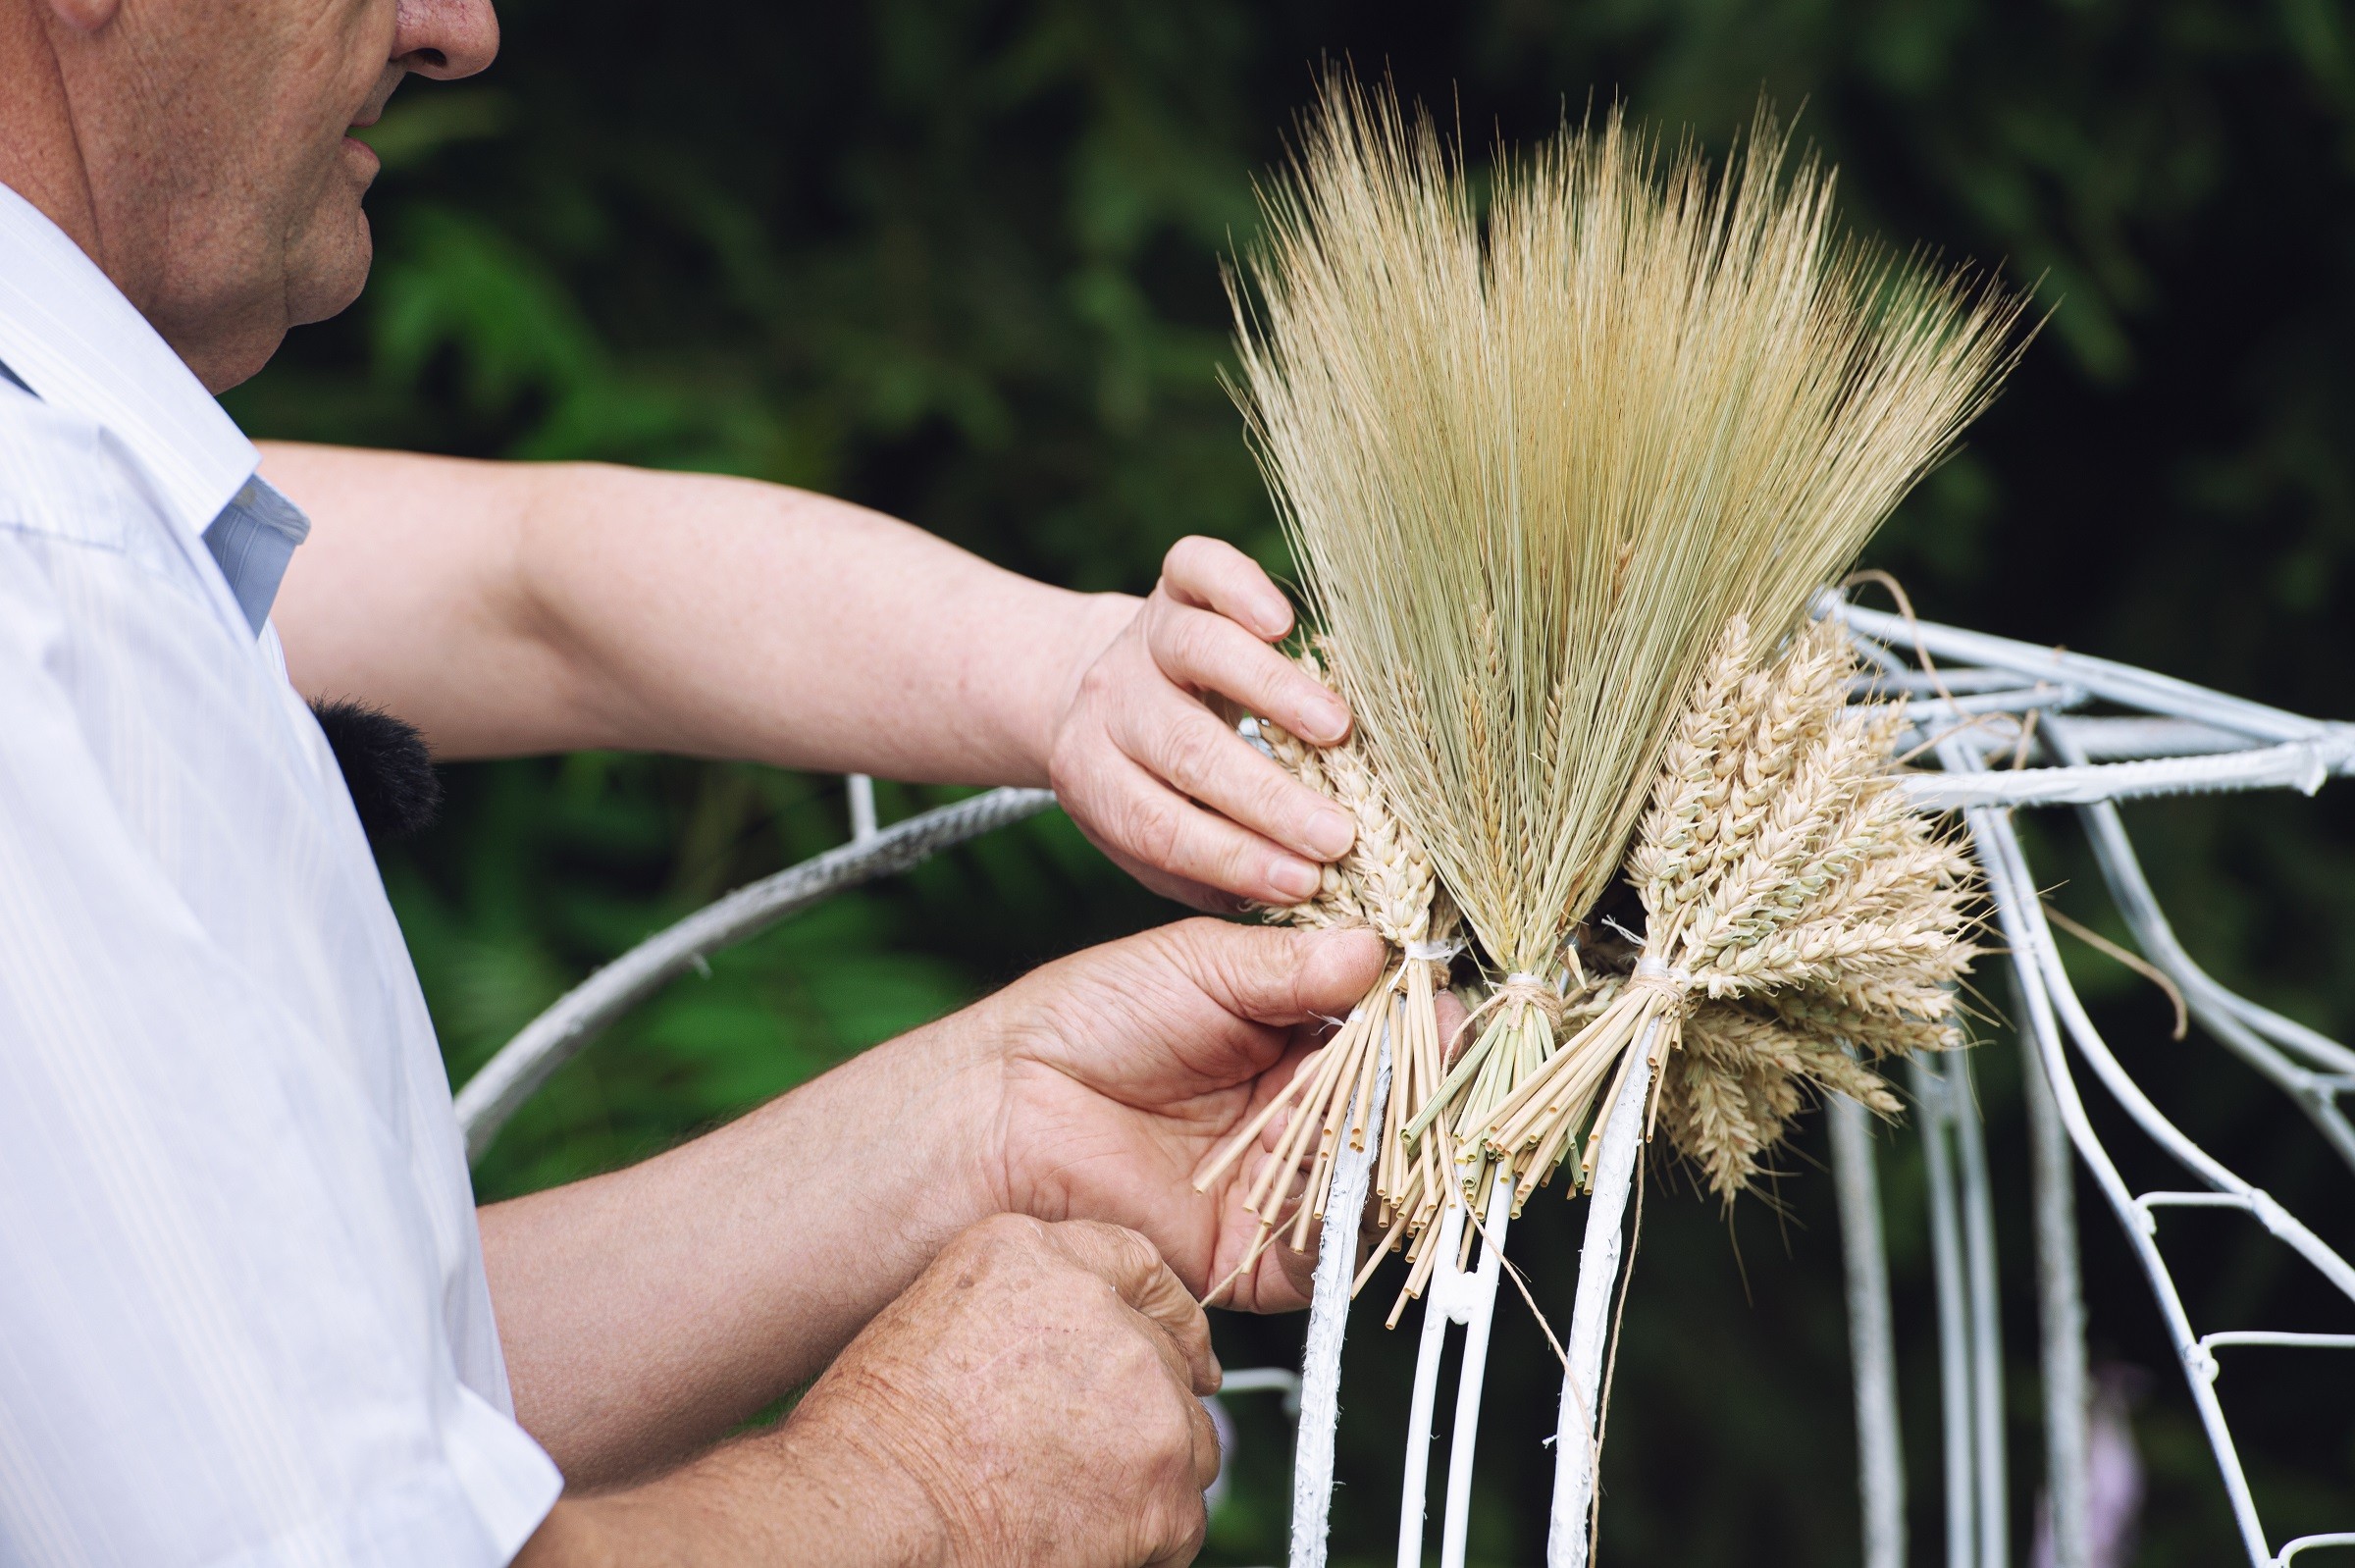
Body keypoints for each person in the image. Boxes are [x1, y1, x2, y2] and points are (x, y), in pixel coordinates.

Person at [0, 2, 1381, 1563]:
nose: (459, 28)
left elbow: (340, 1393)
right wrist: (921, 1491)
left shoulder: (88, 524)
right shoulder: (41, 564)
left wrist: (993, 1106)